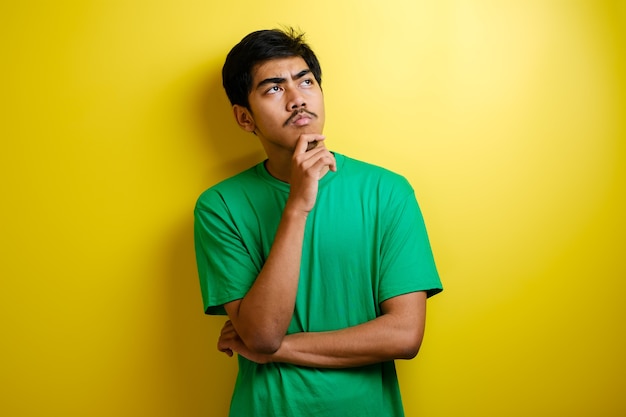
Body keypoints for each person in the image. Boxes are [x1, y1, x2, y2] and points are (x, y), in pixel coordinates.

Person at [194, 27, 443, 417]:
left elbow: (405, 335)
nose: (297, 99)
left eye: (305, 81)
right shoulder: (220, 206)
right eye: (274, 88)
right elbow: (261, 332)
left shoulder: (388, 191)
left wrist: (277, 350)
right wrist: (297, 206)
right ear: (245, 118)